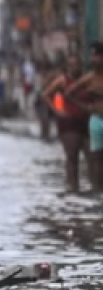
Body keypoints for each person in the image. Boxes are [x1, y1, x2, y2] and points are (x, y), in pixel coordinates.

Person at [43, 56, 90, 191]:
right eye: (71, 65)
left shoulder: (85, 79)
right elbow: (45, 94)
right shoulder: (62, 80)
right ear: (67, 67)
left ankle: (93, 187)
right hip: (68, 123)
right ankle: (73, 187)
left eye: (77, 65)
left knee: (92, 156)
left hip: (85, 121)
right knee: (72, 156)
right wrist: (57, 111)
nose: (75, 68)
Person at [66, 42, 103, 191]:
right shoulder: (89, 78)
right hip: (95, 120)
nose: (93, 59)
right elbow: (69, 93)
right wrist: (86, 107)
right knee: (96, 159)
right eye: (92, 56)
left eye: (96, 55)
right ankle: (98, 190)